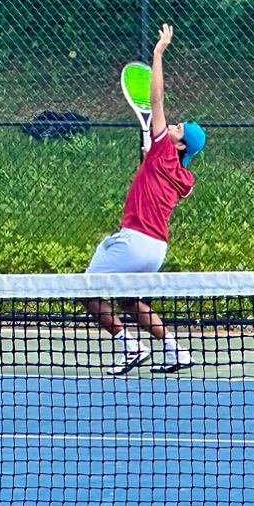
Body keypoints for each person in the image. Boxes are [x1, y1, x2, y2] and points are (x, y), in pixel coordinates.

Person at [83, 23, 207, 375]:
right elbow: (159, 181)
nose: (173, 126)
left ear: (180, 145)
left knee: (85, 291)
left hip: (135, 239)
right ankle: (176, 351)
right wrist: (148, 156)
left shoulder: (164, 148)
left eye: (179, 129)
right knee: (128, 300)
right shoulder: (184, 176)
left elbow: (156, 100)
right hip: (156, 250)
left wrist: (157, 53)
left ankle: (130, 346)